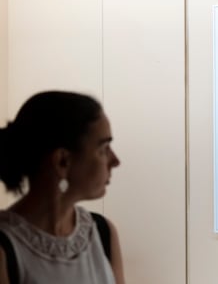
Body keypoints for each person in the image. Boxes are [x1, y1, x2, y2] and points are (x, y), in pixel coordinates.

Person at [0, 91, 125, 284]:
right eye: (103, 149)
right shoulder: (5, 248)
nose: (115, 161)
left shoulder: (103, 232)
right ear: (62, 161)